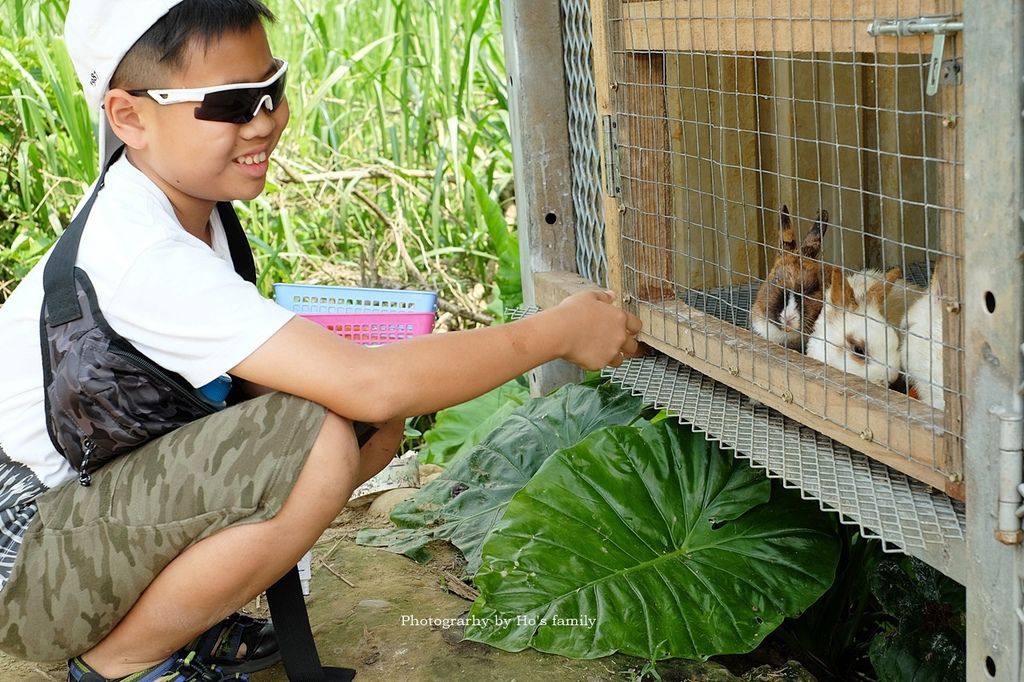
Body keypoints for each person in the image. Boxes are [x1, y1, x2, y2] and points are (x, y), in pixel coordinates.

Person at [0, 1, 642, 681]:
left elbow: (360, 394)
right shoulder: (142, 253)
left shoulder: (183, 208)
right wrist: (556, 332)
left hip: (75, 520)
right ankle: (120, 661)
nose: (265, 121)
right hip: (24, 561)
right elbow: (371, 381)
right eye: (232, 104)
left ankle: (174, 619)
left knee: (363, 425)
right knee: (324, 438)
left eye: (272, 91)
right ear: (130, 117)